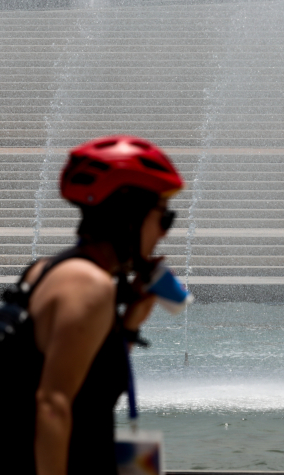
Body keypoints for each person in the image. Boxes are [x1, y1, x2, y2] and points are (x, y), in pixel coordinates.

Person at [22, 135, 183, 475]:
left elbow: (88, 387)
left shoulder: (46, 270)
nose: (165, 233)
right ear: (130, 215)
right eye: (163, 217)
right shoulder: (89, 286)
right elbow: (52, 405)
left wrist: (129, 325)